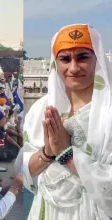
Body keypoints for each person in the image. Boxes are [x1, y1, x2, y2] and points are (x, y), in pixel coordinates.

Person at [23, 24, 112, 220]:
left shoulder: (108, 112)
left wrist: (67, 155)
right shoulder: (40, 110)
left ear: (97, 59)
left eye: (82, 57)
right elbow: (25, 171)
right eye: (65, 59)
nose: (73, 68)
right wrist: (47, 153)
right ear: (56, 62)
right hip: (46, 209)